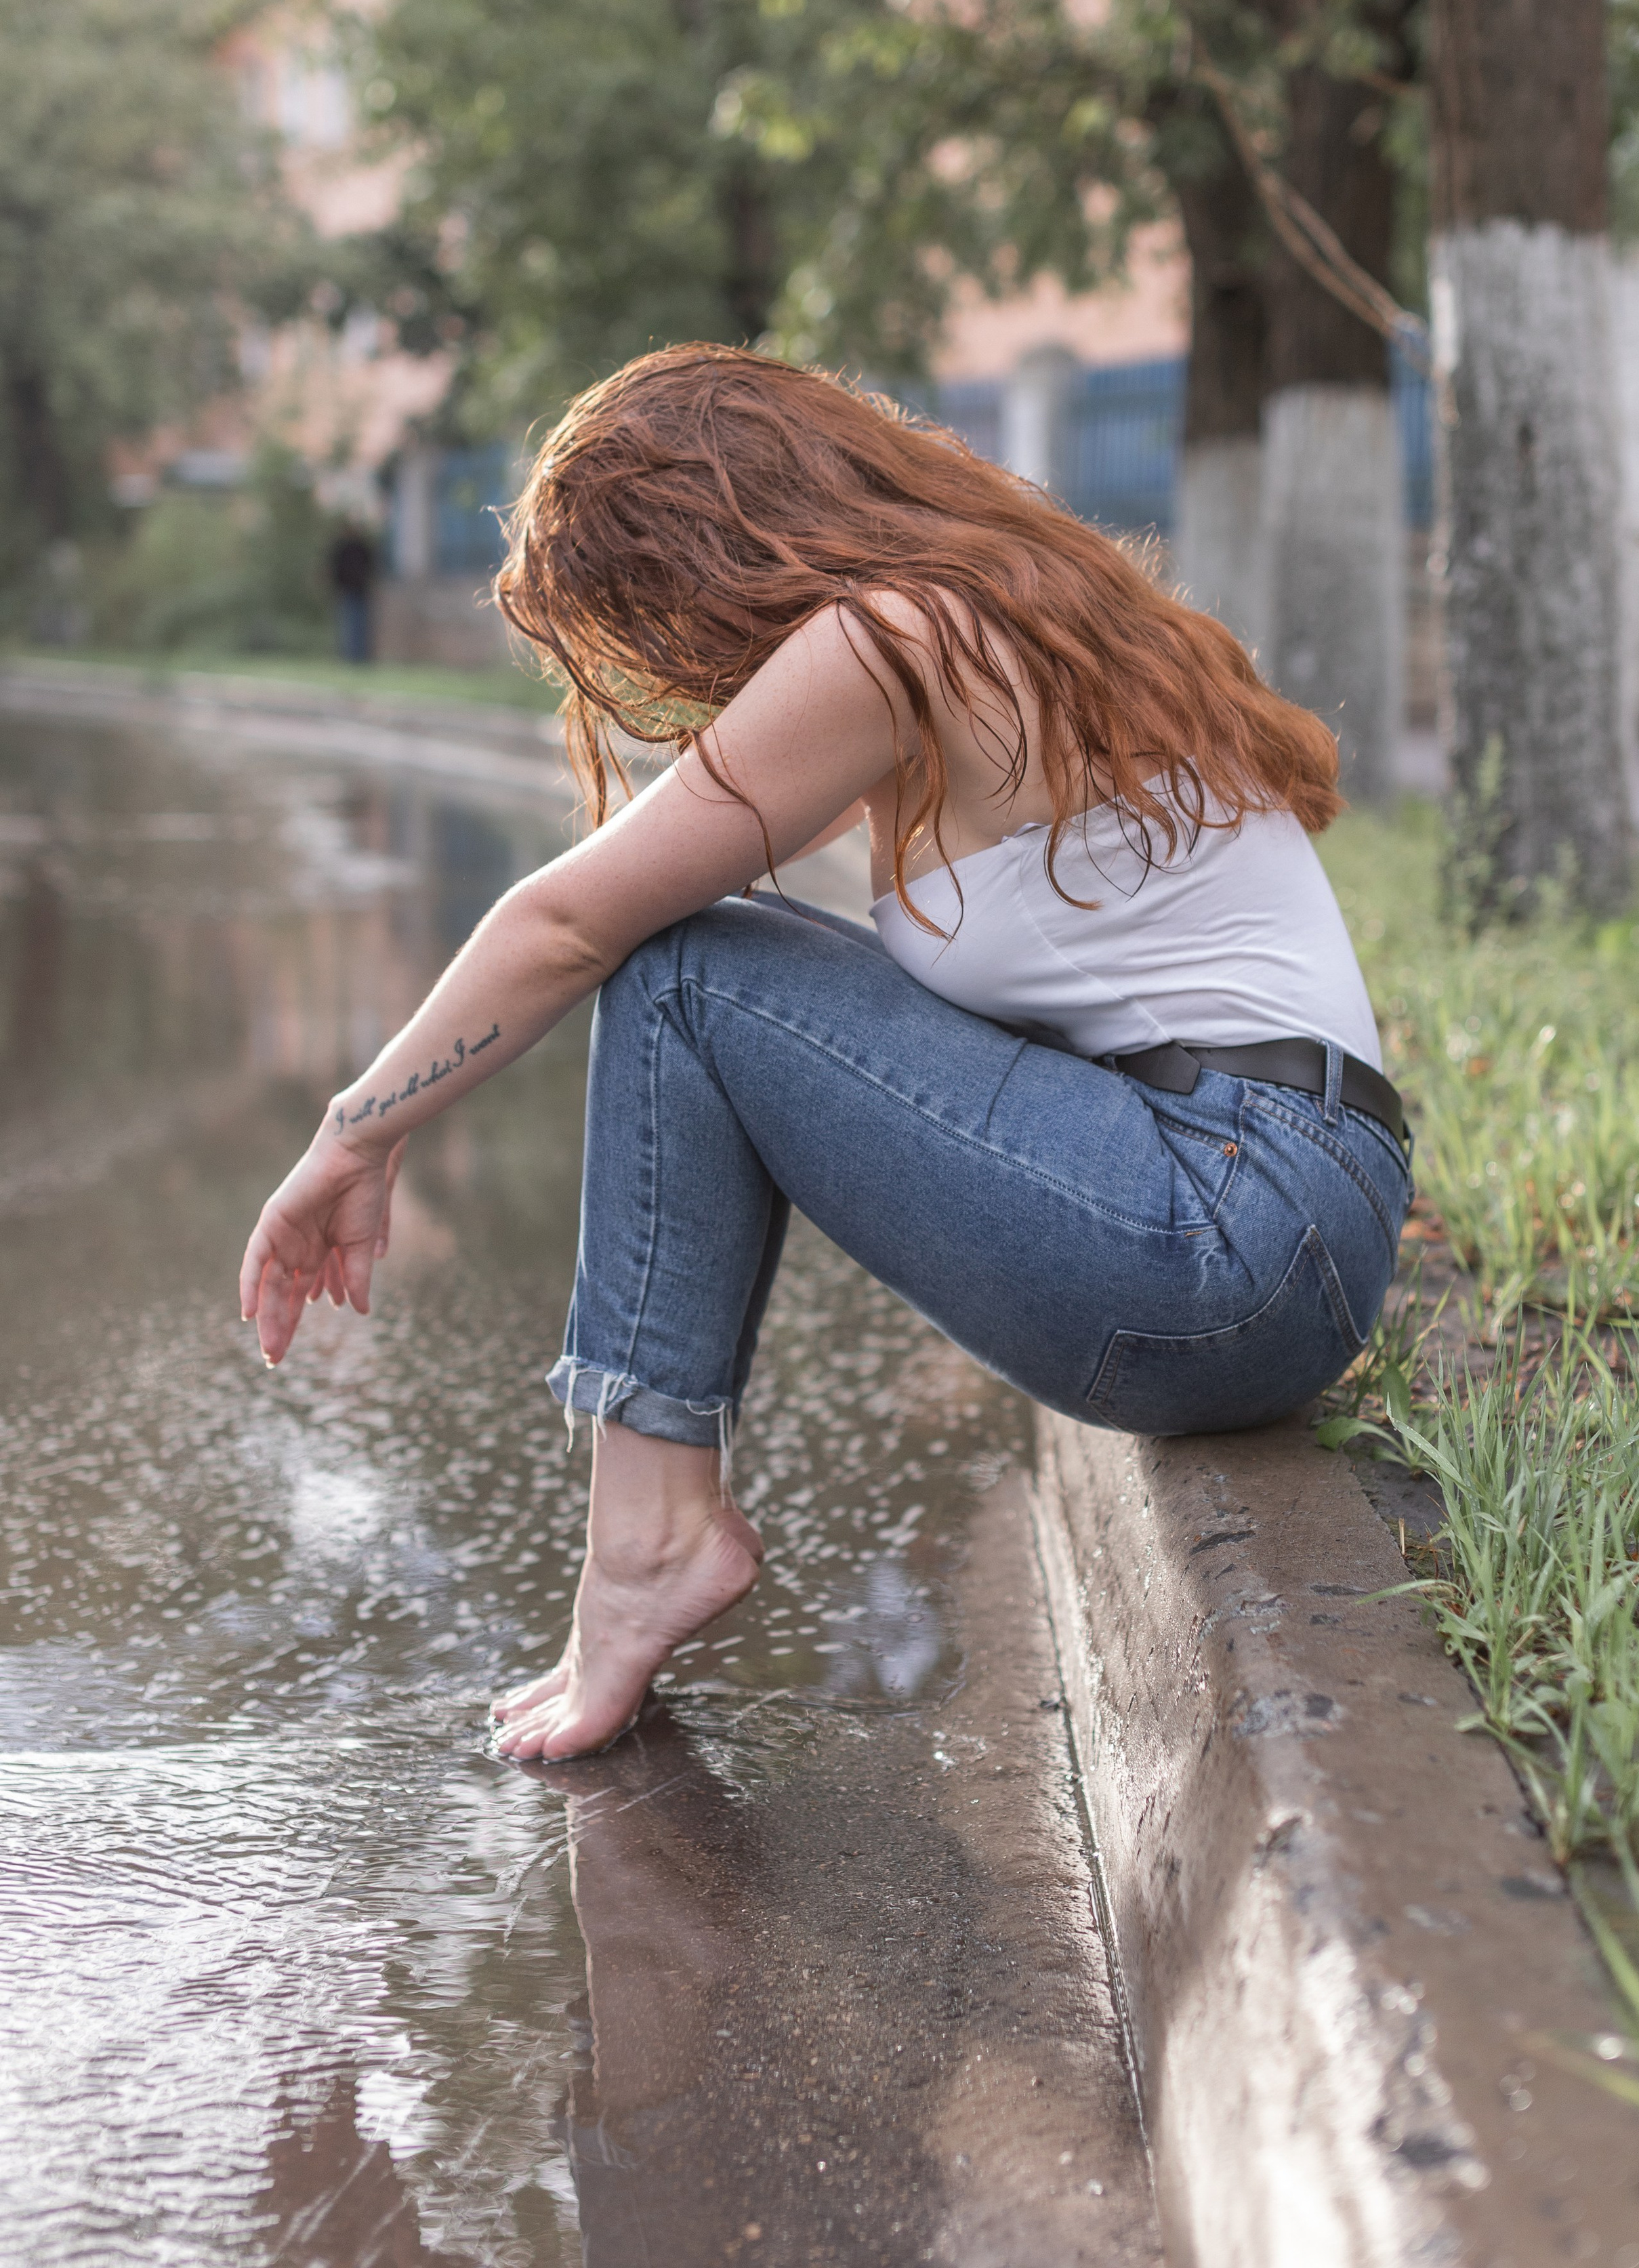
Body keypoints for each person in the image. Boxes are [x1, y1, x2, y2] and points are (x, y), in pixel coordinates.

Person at [240, 346, 1411, 1763]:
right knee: (695, 949)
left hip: (1230, 1229)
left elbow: (571, 919)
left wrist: (354, 1132)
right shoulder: (985, 612)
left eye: (646, 615)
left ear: (707, 550)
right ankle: (654, 1526)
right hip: (1279, 1220)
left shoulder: (896, 640)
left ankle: (652, 1535)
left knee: (675, 966)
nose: (667, 665)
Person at [329, 520, 377, 665]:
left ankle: (360, 658)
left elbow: (371, 569)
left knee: (360, 626)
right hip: (347, 591)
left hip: (361, 591)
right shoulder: (342, 548)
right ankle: (349, 657)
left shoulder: (363, 548)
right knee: (348, 626)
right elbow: (336, 569)